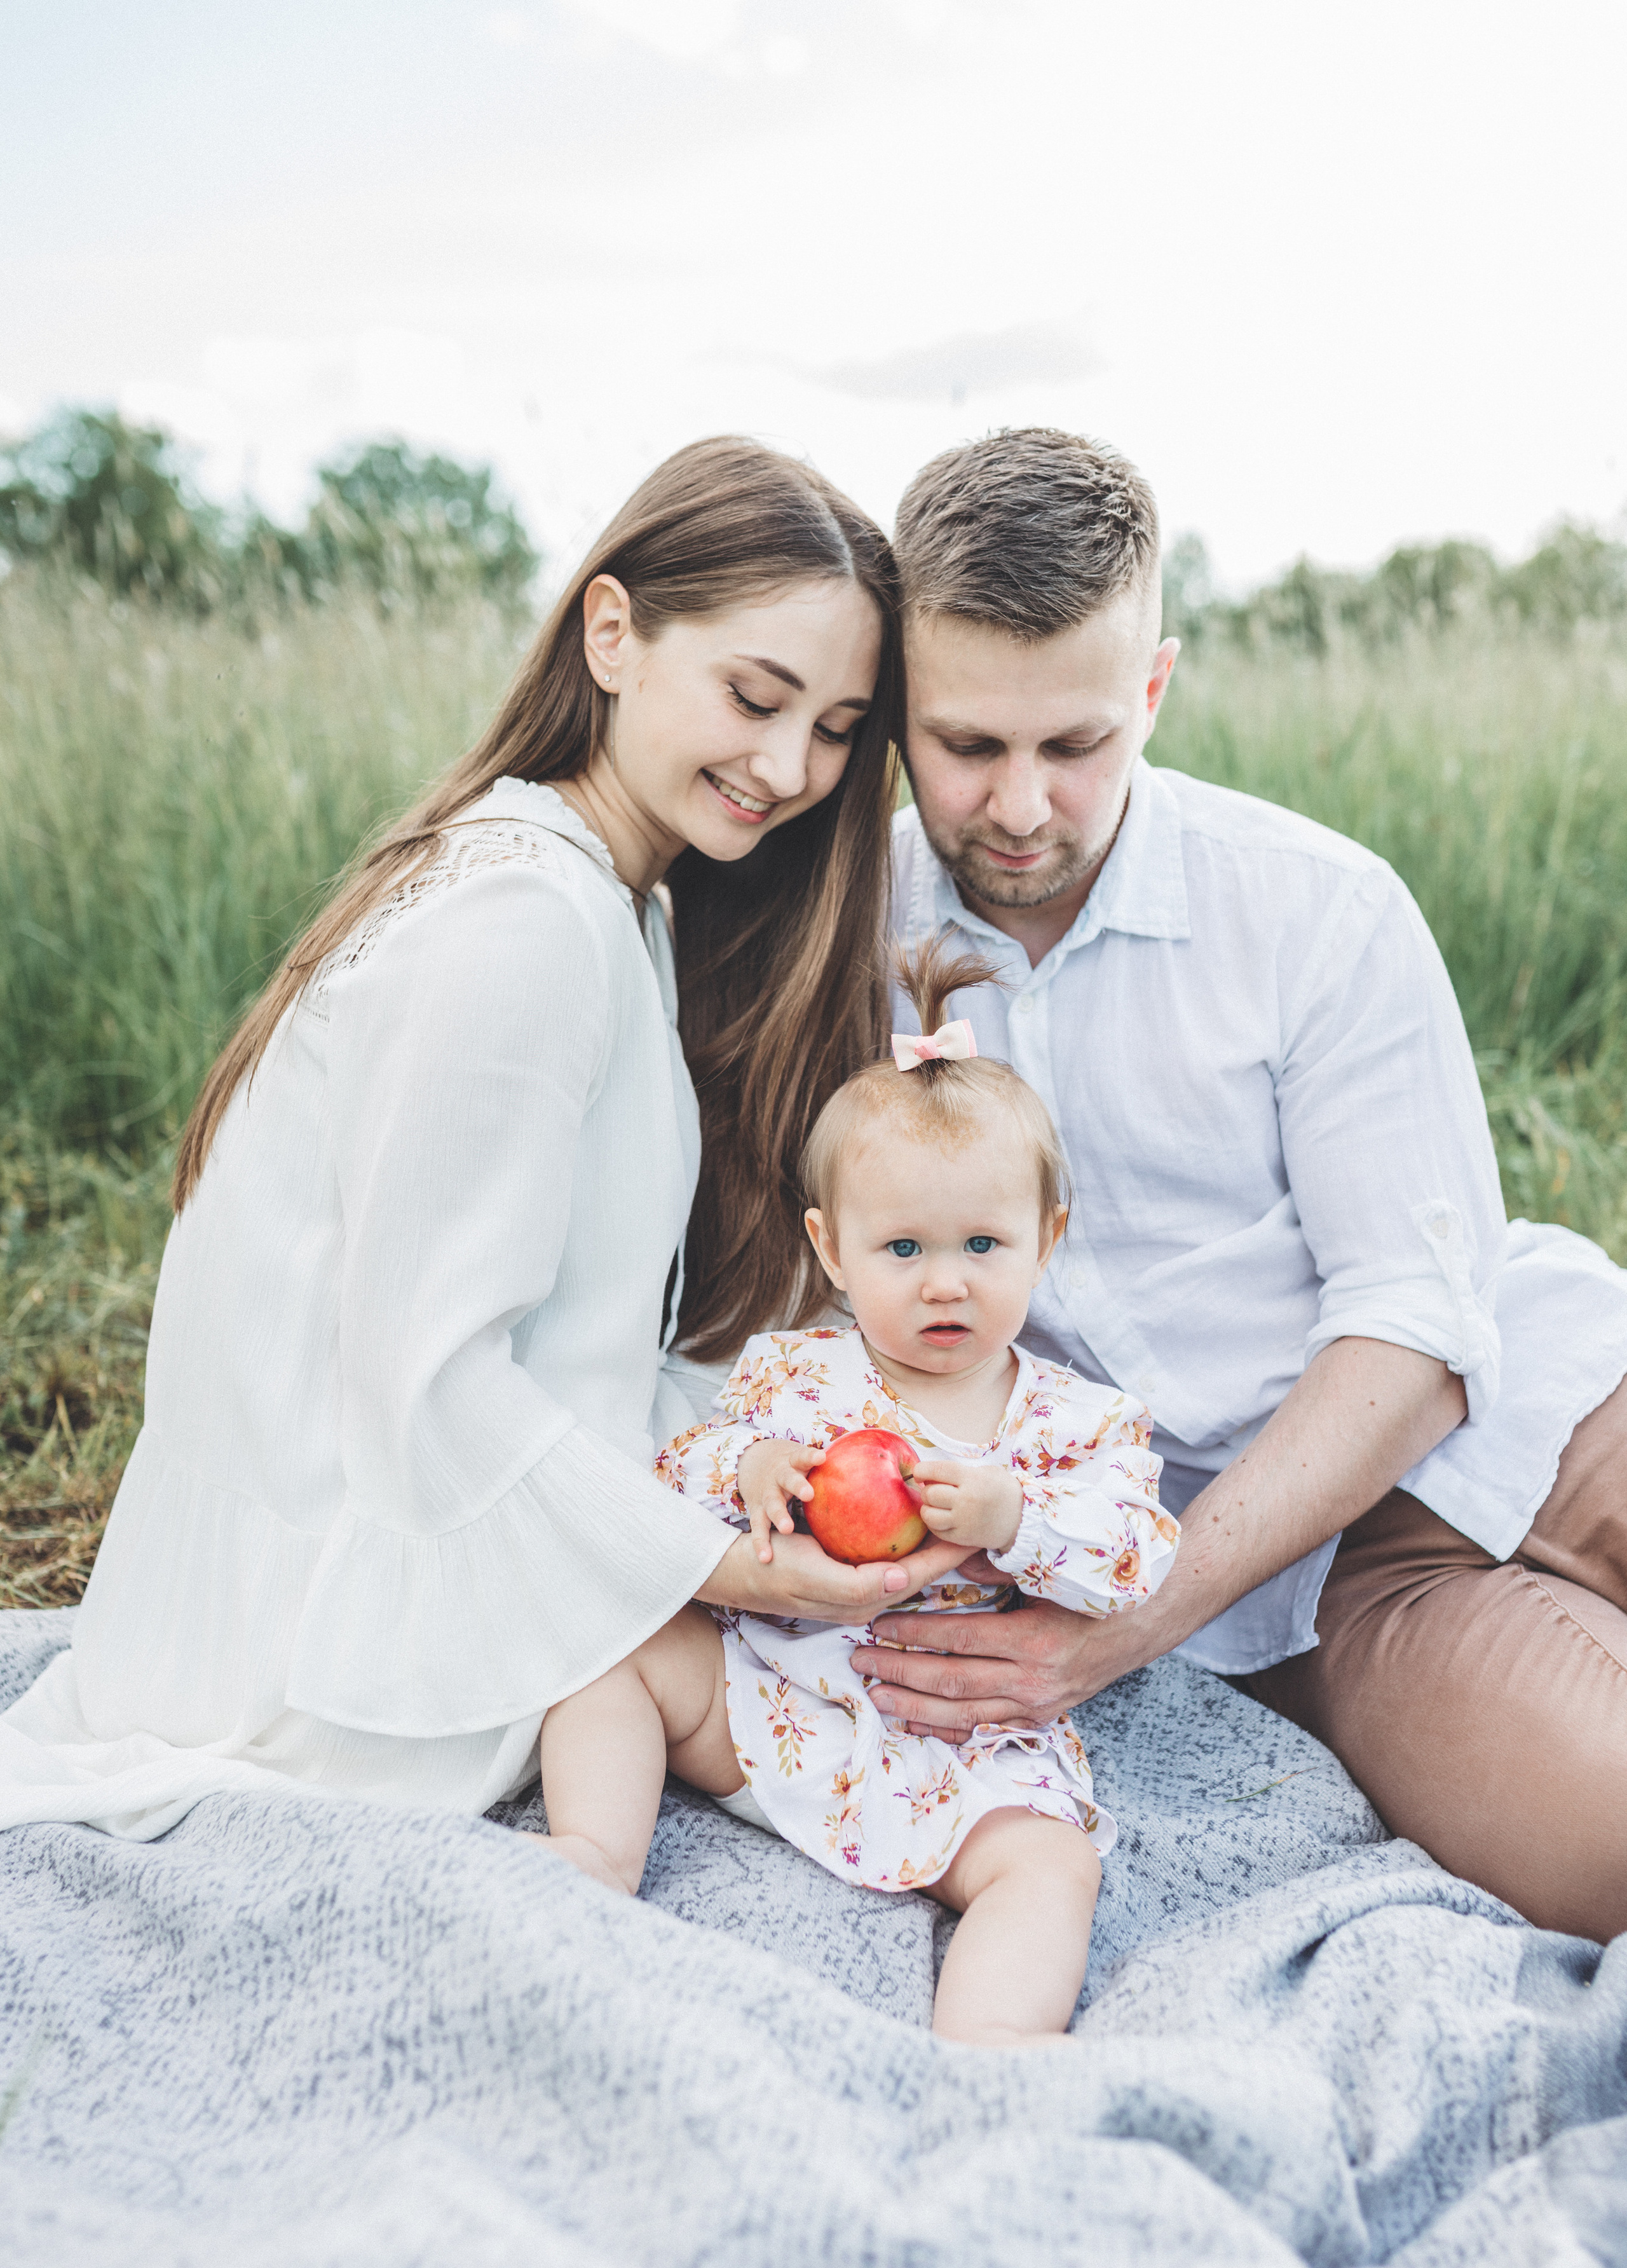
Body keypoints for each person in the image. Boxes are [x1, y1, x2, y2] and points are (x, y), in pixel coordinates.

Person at [0, 437, 956, 1840]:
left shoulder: (614, 899)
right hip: (323, 1660)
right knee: (908, 1769)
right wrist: (714, 1567)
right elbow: (429, 1384)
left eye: (834, 730)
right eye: (755, 698)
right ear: (612, 632)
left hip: (396, 1573)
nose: (788, 767)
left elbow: (579, 1336)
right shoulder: (519, 921)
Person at [852, 427, 1627, 1944]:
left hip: (1545, 1394)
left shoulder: (1314, 908)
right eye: (968, 746)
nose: (1021, 805)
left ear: (1150, 690)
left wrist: (1116, 1627)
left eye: (1074, 745)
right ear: (897, 708)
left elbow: (1415, 1331)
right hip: (1312, 1568)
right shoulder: (831, 945)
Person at [535, 938, 1178, 2043]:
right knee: (614, 1647)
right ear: (832, 1251)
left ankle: (987, 2045)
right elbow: (679, 1473)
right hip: (773, 1695)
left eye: (984, 1244)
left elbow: (1136, 1555)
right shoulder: (799, 1376)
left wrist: (1015, 1519)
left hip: (953, 1744)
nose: (945, 1282)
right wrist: (749, 1472)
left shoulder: (1078, 1422)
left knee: (1051, 1865)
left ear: (1047, 1240)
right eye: (904, 1248)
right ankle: (593, 1851)